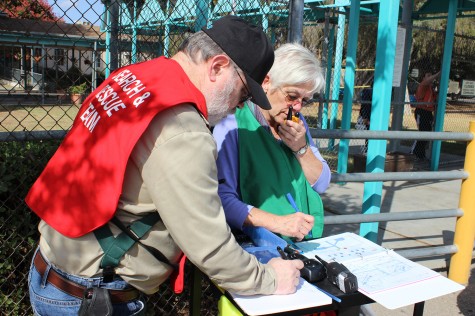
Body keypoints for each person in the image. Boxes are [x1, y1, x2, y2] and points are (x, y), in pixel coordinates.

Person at [25, 16, 304, 316]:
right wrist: (271, 278)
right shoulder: (183, 129)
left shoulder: (133, 77)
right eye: (244, 93)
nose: (239, 105)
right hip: (91, 297)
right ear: (218, 67)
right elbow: (208, 246)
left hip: (52, 268)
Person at [213, 43, 331, 242]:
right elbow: (222, 198)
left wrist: (301, 149)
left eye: (305, 100)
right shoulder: (233, 123)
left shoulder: (296, 122)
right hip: (259, 244)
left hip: (301, 239)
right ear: (266, 82)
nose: (298, 107)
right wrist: (279, 222)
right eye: (292, 96)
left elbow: (322, 183)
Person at [411, 70, 440, 160]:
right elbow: (427, 81)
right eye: (428, 75)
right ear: (423, 78)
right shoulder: (423, 85)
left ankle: (420, 154)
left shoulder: (431, 89)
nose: (430, 77)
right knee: (422, 132)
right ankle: (413, 152)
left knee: (427, 134)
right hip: (421, 111)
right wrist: (438, 74)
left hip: (428, 112)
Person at [356, 87, 373, 153]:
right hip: (367, 116)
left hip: (369, 116)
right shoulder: (368, 92)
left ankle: (368, 149)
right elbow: (364, 106)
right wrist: (365, 118)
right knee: (368, 133)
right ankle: (367, 150)